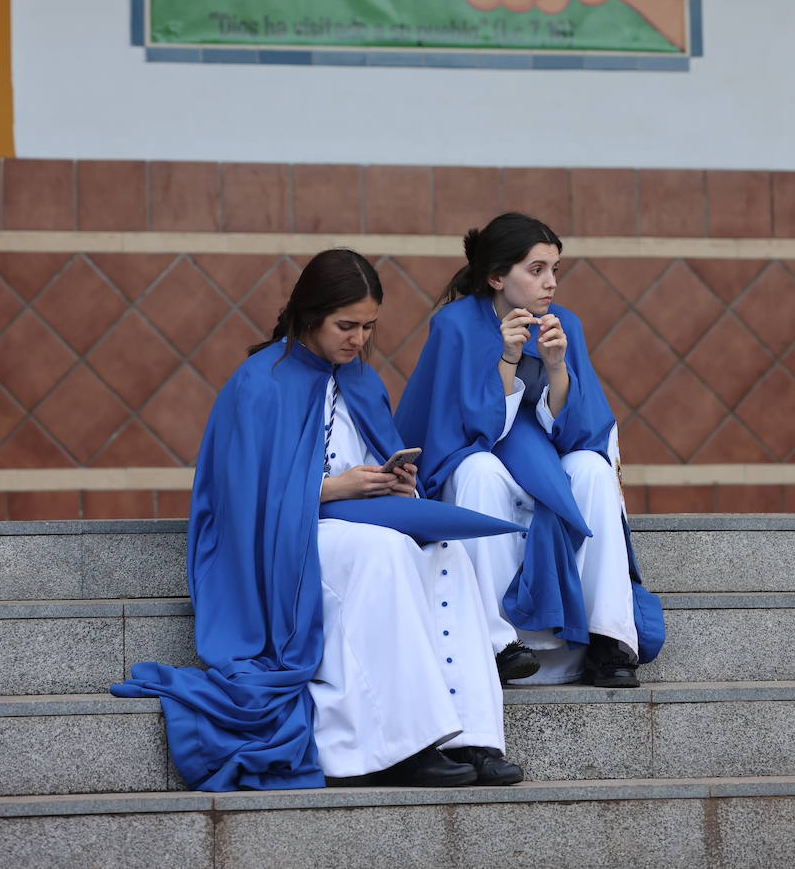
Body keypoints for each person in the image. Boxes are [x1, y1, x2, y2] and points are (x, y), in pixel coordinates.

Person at [112, 248, 521, 791]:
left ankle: (474, 736)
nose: (358, 339)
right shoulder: (260, 382)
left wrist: (398, 483)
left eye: (368, 327)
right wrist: (332, 488)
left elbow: (378, 454)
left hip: (363, 526)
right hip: (290, 540)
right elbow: (239, 499)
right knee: (386, 552)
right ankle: (408, 745)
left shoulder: (363, 381)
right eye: (345, 326)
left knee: (447, 553)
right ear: (309, 316)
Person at [395, 213, 664, 689]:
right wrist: (509, 358)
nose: (550, 283)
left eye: (555, 269)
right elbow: (467, 430)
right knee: (480, 471)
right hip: (479, 460)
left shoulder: (565, 325)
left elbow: (579, 429)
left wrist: (557, 367)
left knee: (591, 469)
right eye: (536, 270)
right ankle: (498, 641)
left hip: (546, 458)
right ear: (496, 277)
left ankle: (608, 637)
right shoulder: (455, 325)